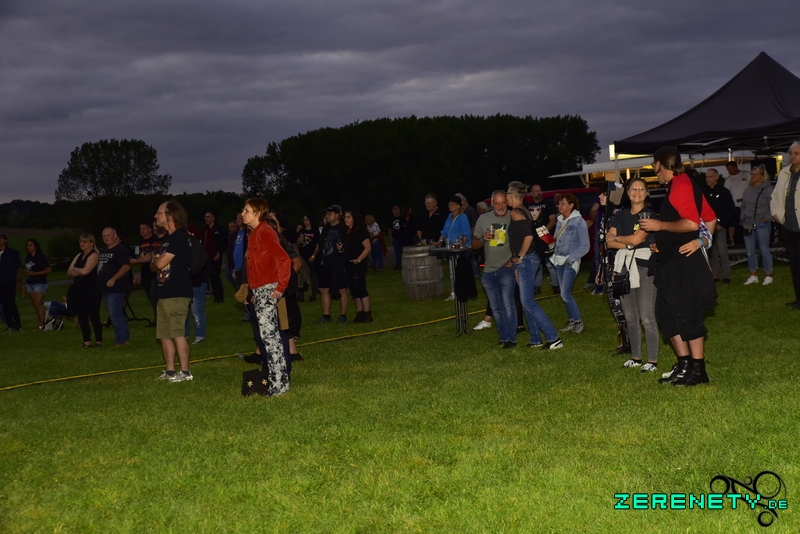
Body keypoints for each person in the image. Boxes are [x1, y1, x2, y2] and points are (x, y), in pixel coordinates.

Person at [639, 146, 717, 386]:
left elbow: (693, 222)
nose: (653, 169)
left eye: (654, 164)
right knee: (666, 313)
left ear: (661, 164)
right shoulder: (681, 184)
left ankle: (698, 370)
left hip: (685, 264)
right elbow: (710, 218)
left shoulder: (681, 183)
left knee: (686, 314)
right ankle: (684, 365)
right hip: (672, 262)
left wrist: (661, 226)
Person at [606, 178, 658, 371]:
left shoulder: (649, 214)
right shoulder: (619, 216)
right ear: (627, 192)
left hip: (644, 268)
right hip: (624, 268)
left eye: (641, 189)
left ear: (646, 192)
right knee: (630, 316)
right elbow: (609, 242)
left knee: (647, 316)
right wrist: (627, 243)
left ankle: (652, 361)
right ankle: (636, 357)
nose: (637, 192)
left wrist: (619, 239)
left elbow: (636, 240)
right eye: (633, 188)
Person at [242, 197, 292, 396]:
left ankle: (278, 385)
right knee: (268, 338)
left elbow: (283, 258)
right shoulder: (255, 233)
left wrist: (280, 287)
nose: (242, 214)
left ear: (257, 212)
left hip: (268, 289)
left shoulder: (264, 231)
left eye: (246, 210)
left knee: (270, 340)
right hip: (261, 290)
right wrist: (254, 292)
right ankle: (278, 382)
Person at [507, 182, 563, 350]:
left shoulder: (516, 213)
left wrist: (519, 257)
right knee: (527, 301)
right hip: (530, 259)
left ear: (512, 196)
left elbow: (528, 236)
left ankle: (553, 337)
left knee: (527, 302)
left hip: (527, 260)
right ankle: (535, 339)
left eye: (508, 194)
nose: (506, 198)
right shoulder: (524, 210)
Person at [150, 201, 195, 381]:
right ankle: (170, 370)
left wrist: (155, 260)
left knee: (177, 332)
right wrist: (156, 261)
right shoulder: (167, 239)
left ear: (170, 215)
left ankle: (185, 372)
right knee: (164, 333)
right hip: (164, 291)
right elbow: (155, 266)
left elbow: (159, 263)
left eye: (159, 212)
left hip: (177, 292)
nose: (156, 216)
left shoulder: (179, 237)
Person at [472, 190, 516, 348]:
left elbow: (523, 239)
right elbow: (474, 244)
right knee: (495, 307)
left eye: (503, 202)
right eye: (497, 203)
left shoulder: (513, 217)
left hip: (506, 267)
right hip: (489, 270)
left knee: (507, 304)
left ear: (507, 202)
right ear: (492, 204)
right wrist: (483, 240)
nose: (500, 206)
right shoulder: (484, 219)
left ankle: (510, 338)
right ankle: (503, 336)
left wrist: (512, 261)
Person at [552, 194, 590, 334]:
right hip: (558, 261)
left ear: (571, 205)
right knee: (564, 295)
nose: (560, 206)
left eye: (563, 203)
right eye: (559, 203)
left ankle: (578, 322)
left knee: (565, 294)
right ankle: (573, 320)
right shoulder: (559, 220)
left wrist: (571, 258)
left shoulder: (579, 222)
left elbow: (585, 245)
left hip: (569, 262)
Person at [770, 142, 800, 307]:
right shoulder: (784, 172)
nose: (792, 156)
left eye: (796, 153)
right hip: (789, 226)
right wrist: (775, 213)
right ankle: (799, 299)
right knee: (794, 263)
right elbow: (775, 195)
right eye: (791, 153)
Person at [66, 233, 103, 347]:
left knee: (94, 315)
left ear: (91, 243)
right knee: (82, 316)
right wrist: (80, 270)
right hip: (79, 289)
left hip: (91, 289)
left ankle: (98, 340)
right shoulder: (79, 255)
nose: (82, 244)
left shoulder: (94, 255)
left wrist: (77, 270)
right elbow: (69, 271)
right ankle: (87, 341)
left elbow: (86, 271)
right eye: (81, 241)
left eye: (85, 241)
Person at [97, 228, 132, 347]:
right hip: (106, 288)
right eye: (104, 236)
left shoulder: (120, 250)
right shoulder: (104, 250)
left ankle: (120, 340)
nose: (106, 238)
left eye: (108, 235)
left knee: (115, 313)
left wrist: (113, 279)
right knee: (116, 313)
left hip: (116, 287)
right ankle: (124, 338)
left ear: (115, 236)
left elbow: (126, 266)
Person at [741, 165, 774, 285]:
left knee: (764, 249)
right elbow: (744, 205)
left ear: (762, 176)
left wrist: (767, 218)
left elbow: (773, 205)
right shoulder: (748, 190)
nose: (753, 176)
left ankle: (768, 274)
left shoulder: (768, 190)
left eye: (756, 174)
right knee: (750, 250)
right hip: (748, 222)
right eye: (752, 174)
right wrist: (742, 217)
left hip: (761, 222)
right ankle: (753, 274)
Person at [703, 168, 736, 283]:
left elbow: (731, 209)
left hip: (720, 226)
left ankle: (726, 275)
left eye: (710, 176)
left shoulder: (723, 192)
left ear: (716, 177)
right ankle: (716, 274)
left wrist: (721, 223)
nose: (708, 179)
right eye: (706, 177)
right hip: (708, 226)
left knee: (722, 251)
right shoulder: (704, 192)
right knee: (712, 251)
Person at [317, 205, 349, 322]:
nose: (328, 216)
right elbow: (321, 244)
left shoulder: (343, 228)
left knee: (341, 288)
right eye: (327, 214)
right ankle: (326, 315)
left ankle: (343, 315)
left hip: (338, 262)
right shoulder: (326, 228)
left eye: (330, 213)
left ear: (337, 215)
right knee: (324, 289)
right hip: (326, 262)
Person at [437, 195, 472, 301]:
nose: (450, 206)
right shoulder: (449, 216)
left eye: (452, 204)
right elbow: (444, 231)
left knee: (459, 270)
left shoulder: (463, 217)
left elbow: (466, 233)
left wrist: (460, 243)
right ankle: (454, 291)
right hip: (450, 248)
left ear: (458, 206)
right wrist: (439, 242)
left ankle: (460, 291)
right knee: (452, 270)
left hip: (460, 249)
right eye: (449, 204)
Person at [342, 210, 373, 322]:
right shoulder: (347, 232)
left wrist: (359, 259)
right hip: (349, 263)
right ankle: (359, 313)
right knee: (353, 289)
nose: (346, 219)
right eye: (345, 217)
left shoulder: (360, 231)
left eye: (348, 217)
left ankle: (367, 313)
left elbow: (368, 247)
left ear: (354, 218)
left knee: (360, 287)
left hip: (358, 264)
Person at [23, 239, 51, 330]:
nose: (28, 247)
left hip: (39, 283)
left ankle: (43, 324)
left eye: (31, 245)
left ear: (35, 246)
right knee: (35, 304)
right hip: (30, 283)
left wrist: (34, 273)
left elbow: (48, 270)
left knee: (37, 303)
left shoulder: (41, 257)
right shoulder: (28, 258)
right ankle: (40, 323)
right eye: (27, 245)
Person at [203, 211, 228, 303]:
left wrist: (219, 253)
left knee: (215, 275)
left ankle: (220, 297)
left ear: (213, 218)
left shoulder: (219, 229)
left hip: (216, 256)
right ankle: (216, 296)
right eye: (205, 217)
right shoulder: (205, 230)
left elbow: (224, 243)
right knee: (210, 276)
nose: (206, 219)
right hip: (207, 257)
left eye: (208, 217)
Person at [0, 233, 23, 331]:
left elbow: (19, 267)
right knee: (4, 303)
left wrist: (19, 280)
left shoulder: (12, 253)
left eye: (1, 238)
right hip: (1, 281)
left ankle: (17, 324)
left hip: (10, 280)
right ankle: (10, 324)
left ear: (5, 240)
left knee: (11, 302)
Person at [724, 161, 751, 244]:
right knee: (733, 223)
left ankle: (749, 238)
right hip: (735, 205)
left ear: (735, 167)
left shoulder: (746, 174)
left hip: (747, 204)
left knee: (747, 222)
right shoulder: (729, 180)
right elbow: (726, 193)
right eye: (728, 170)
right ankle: (731, 239)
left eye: (730, 169)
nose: (729, 171)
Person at [297, 213, 320, 299]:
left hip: (311, 257)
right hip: (302, 256)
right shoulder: (301, 231)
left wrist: (313, 256)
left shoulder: (315, 231)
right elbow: (296, 244)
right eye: (304, 219)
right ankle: (301, 296)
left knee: (313, 276)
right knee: (301, 276)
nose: (305, 221)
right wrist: (298, 241)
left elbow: (318, 245)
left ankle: (313, 295)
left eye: (306, 219)